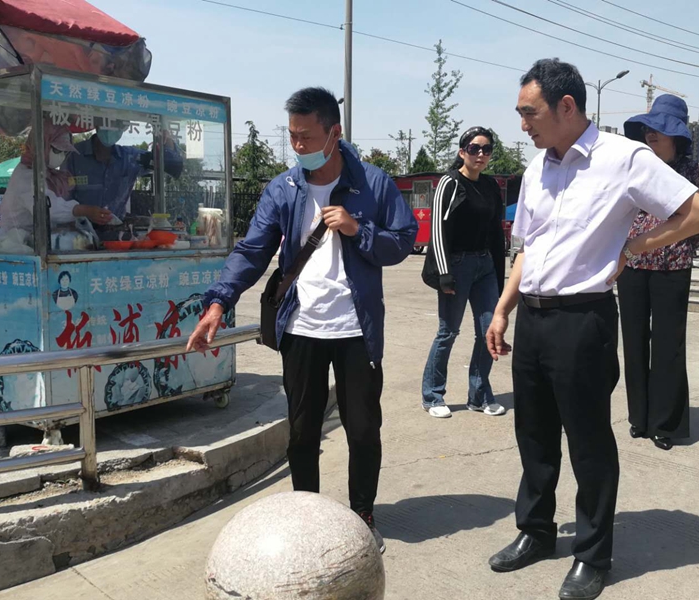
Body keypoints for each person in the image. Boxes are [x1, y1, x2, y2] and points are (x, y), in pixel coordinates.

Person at [485, 59, 699, 600]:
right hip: (533, 318)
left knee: (588, 442)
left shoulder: (624, 158)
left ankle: (592, 554)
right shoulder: (537, 168)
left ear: (567, 106)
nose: (523, 125)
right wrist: (504, 308)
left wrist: (638, 245)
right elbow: (527, 246)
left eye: (529, 113)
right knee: (534, 435)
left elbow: (694, 209)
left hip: (583, 320)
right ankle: (535, 531)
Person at [187, 87, 417, 554]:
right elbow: (252, 250)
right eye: (292, 136)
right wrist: (218, 303)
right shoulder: (284, 189)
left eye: (307, 137)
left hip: (356, 331)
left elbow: (402, 241)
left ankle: (362, 516)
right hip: (301, 329)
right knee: (301, 432)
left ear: (334, 133)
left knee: (363, 431)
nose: (298, 146)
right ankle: (307, 518)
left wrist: (358, 229)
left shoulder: (373, 184)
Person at [617, 96, 699, 452]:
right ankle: (639, 416)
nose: (651, 135)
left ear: (677, 136)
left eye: (659, 130)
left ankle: (665, 423)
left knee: (668, 346)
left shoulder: (693, 171)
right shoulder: (639, 168)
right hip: (632, 266)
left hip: (672, 268)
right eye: (648, 129)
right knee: (634, 342)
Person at [421, 126, 507, 418]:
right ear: (462, 152)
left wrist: (499, 274)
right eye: (474, 148)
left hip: (485, 267)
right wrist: (444, 273)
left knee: (489, 331)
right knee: (448, 332)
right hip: (456, 266)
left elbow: (496, 232)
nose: (480, 154)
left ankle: (479, 395)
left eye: (486, 149)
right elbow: (437, 230)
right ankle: (433, 396)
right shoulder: (450, 182)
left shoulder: (490, 186)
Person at [0, 122, 113, 233]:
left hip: (36, 239)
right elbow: (49, 208)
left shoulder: (49, 174)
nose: (61, 156)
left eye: (65, 152)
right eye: (57, 150)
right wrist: (85, 211)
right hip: (17, 240)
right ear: (41, 146)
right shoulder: (26, 175)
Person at [65, 121, 184, 219]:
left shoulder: (129, 158)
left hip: (117, 234)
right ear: (96, 123)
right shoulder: (74, 155)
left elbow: (169, 163)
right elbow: (61, 201)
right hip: (79, 233)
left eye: (118, 124)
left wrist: (165, 132)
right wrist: (85, 212)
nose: (111, 128)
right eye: (107, 122)